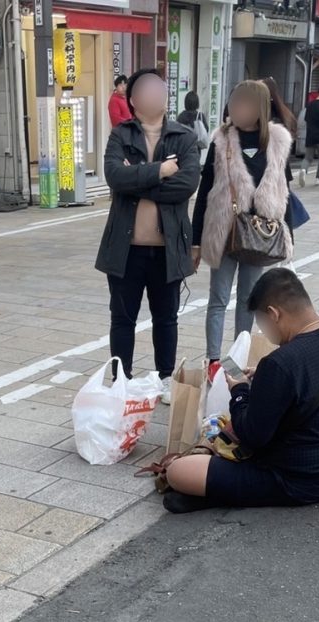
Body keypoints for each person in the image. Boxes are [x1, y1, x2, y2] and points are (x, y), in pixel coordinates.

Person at [162, 269, 319, 513]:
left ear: (274, 314)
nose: (264, 332)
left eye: (261, 323)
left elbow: (252, 435)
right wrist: (263, 382)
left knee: (177, 472)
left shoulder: (280, 363)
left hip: (292, 479)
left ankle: (224, 494)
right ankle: (218, 494)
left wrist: (240, 390)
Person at [97, 69, 200, 404]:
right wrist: (160, 171)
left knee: (166, 318)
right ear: (135, 98)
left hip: (167, 249)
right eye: (149, 89)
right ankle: (120, 377)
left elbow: (186, 185)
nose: (158, 94)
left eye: (162, 89)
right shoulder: (121, 135)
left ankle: (165, 377)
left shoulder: (183, 136)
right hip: (125, 248)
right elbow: (114, 177)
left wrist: (138, 182)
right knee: (122, 318)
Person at [191, 80, 293, 367]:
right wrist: (195, 242)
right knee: (218, 299)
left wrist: (288, 239)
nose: (237, 108)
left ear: (259, 107)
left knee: (249, 300)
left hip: (260, 234)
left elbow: (284, 192)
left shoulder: (277, 142)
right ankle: (213, 361)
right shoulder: (221, 141)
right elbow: (204, 193)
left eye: (245, 103)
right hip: (223, 231)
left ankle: (239, 359)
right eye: (235, 102)